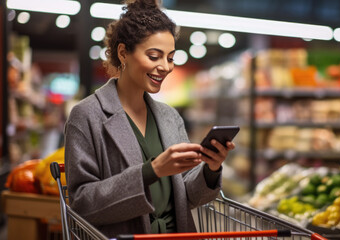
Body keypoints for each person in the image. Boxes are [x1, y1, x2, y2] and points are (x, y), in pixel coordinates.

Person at [64, 0, 235, 238]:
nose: (165, 67)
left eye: (171, 58)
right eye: (154, 56)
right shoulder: (86, 116)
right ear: (123, 53)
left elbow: (189, 196)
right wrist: (151, 171)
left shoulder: (169, 116)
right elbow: (82, 204)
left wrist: (211, 168)